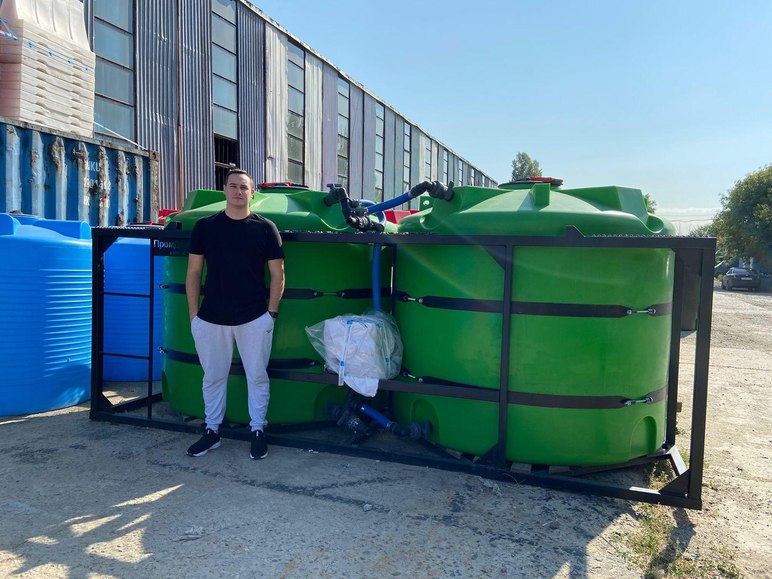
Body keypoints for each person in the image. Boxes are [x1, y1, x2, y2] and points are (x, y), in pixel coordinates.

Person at [185, 168, 285, 460]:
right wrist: (194, 315)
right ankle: (212, 431)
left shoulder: (265, 228)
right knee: (213, 377)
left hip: (254, 317)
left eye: (244, 187)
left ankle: (258, 430)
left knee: (257, 376)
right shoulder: (205, 226)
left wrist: (271, 314)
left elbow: (278, 274)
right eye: (233, 186)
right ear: (224, 190)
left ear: (252, 193)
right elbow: (193, 272)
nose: (238, 191)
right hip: (210, 318)